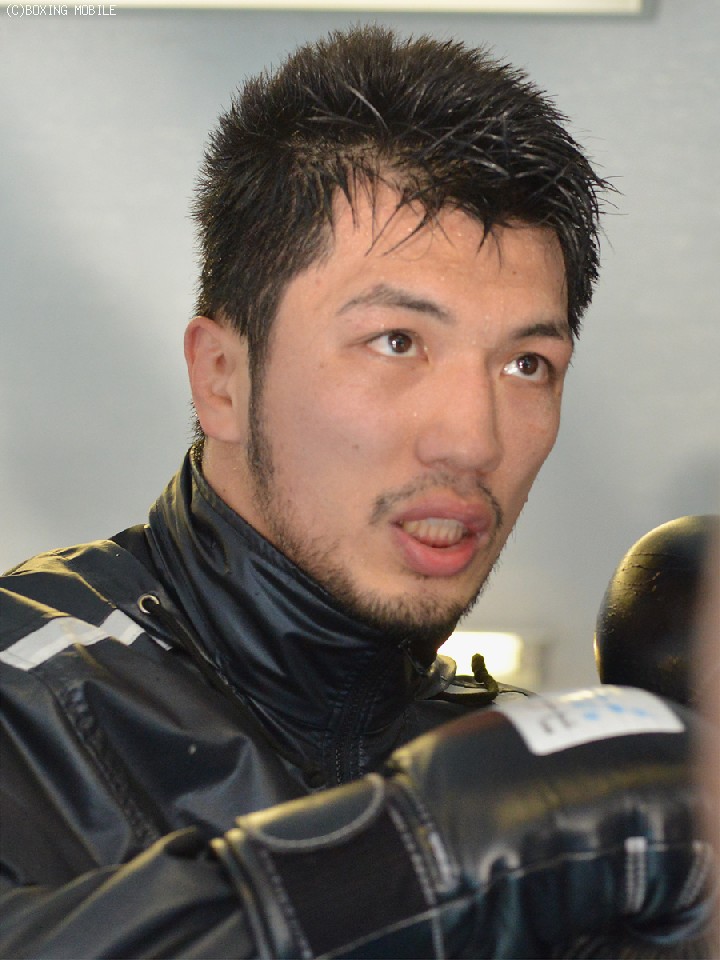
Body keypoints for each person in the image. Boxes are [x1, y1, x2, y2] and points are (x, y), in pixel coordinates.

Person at [0, 25, 712, 959]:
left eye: (527, 363)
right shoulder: (24, 697)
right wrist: (426, 857)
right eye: (396, 341)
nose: (474, 440)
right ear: (222, 376)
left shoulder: (525, 779)